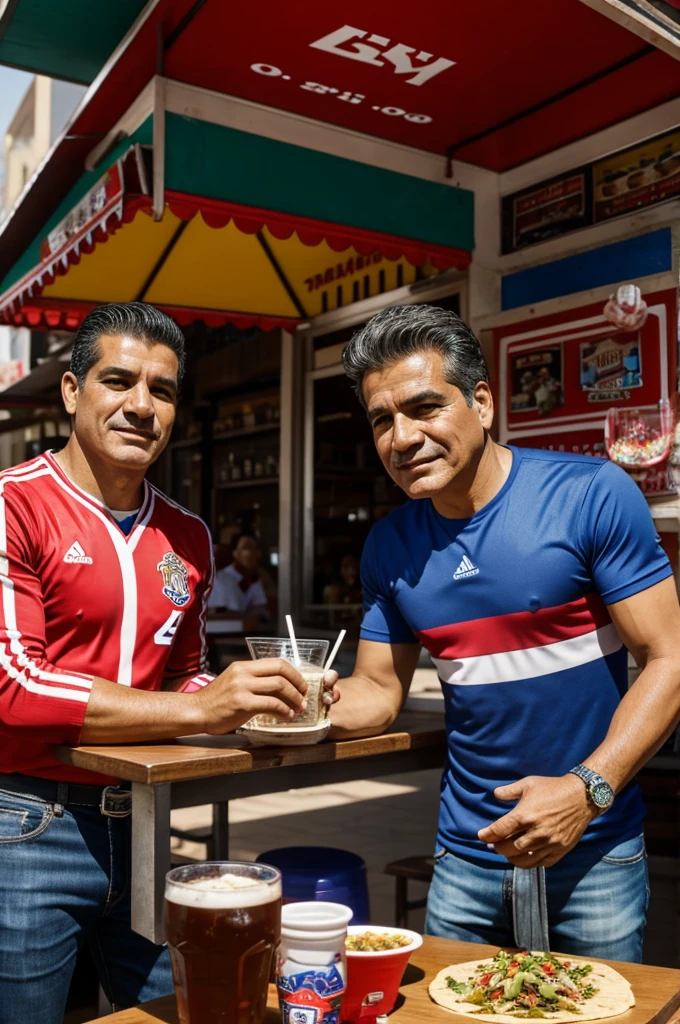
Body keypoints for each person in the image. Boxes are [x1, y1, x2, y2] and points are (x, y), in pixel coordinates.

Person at [0, 301, 338, 1023]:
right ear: (71, 391)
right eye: (118, 381)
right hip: (29, 823)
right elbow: (14, 685)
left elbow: (184, 672)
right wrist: (201, 708)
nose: (141, 406)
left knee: (187, 1010)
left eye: (162, 390)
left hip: (150, 824)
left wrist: (253, 697)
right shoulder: (14, 504)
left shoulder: (187, 533)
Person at [329, 303, 680, 962]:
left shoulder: (592, 495)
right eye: (382, 420)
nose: (401, 438)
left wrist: (585, 790)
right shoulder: (390, 546)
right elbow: (376, 692)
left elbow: (670, 659)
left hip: (594, 849)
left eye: (424, 408)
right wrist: (295, 702)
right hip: (467, 856)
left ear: (483, 403)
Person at [207, 532, 273, 634]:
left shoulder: (256, 579)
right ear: (234, 553)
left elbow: (260, 607)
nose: (252, 553)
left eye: (255, 548)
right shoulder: (221, 578)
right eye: (246, 548)